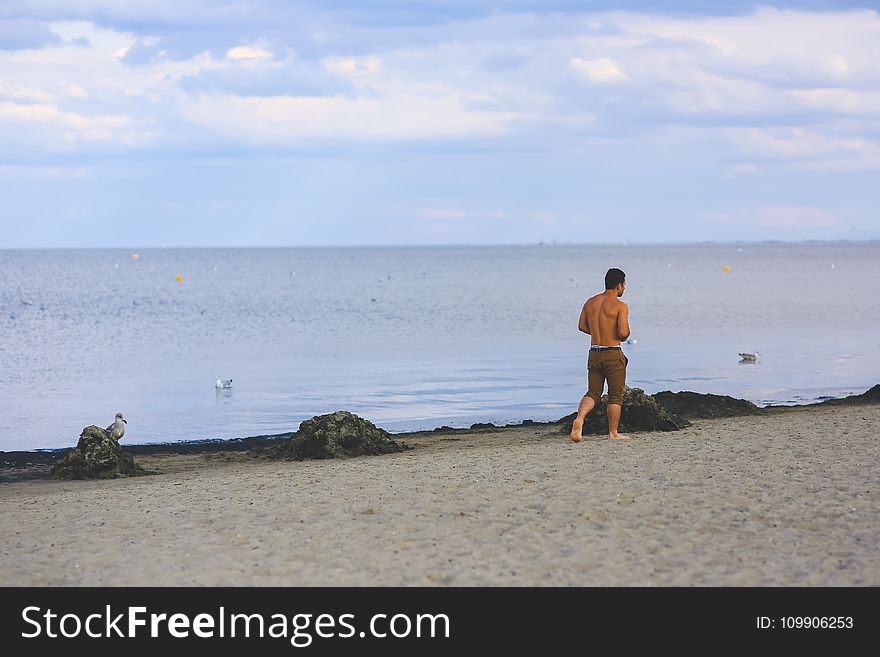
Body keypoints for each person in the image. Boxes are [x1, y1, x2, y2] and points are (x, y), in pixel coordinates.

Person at [570, 268, 631, 442]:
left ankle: (580, 419)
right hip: (612, 353)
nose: (624, 289)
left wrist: (599, 333)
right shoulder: (621, 306)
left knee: (593, 392)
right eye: (624, 285)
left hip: (594, 353)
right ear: (619, 285)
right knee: (615, 395)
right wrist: (614, 334)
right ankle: (613, 433)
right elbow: (624, 333)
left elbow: (582, 326)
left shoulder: (590, 302)